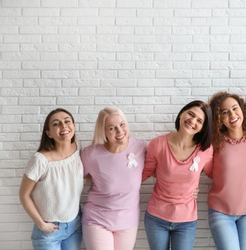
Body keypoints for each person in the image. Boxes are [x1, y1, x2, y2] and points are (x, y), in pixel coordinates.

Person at [142, 100, 213, 250]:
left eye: (199, 121)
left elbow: (215, 174)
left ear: (202, 128)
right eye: (191, 114)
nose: (192, 121)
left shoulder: (206, 150)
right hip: (156, 218)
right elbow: (144, 173)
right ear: (181, 113)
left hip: (186, 222)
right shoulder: (158, 144)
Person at [81, 106, 147, 250]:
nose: (119, 131)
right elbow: (72, 180)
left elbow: (164, 170)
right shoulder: (90, 154)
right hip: (97, 219)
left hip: (128, 221)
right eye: (111, 128)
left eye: (122, 125)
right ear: (103, 131)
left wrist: (188, 188)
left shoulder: (141, 147)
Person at [19, 108, 83, 250]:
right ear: (48, 133)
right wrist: (41, 224)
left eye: (67, 121)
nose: (63, 126)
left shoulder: (78, 147)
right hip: (49, 230)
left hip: (75, 224)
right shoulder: (40, 160)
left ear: (73, 126)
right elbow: (24, 195)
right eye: (56, 124)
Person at [206, 92, 246, 250]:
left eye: (235, 108)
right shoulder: (214, 144)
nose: (232, 114)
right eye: (224, 112)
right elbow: (209, 172)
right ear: (218, 119)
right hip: (221, 211)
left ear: (242, 110)